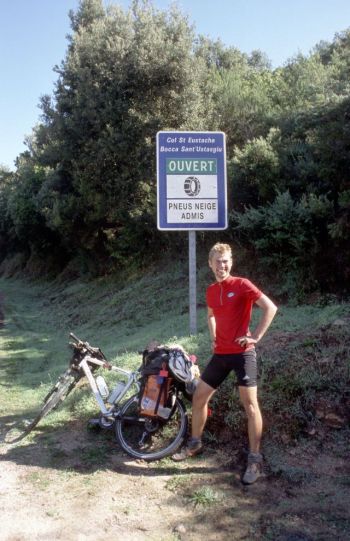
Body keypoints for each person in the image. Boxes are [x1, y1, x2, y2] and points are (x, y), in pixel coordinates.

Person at [173, 242, 277, 485]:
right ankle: (195, 444)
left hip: (243, 354)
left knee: (250, 406)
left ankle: (254, 459)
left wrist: (256, 337)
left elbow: (270, 307)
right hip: (221, 354)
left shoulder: (242, 285)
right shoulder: (211, 290)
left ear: (231, 262)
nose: (222, 265)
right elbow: (210, 315)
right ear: (210, 264)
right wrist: (214, 337)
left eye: (226, 261)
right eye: (218, 261)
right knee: (199, 397)